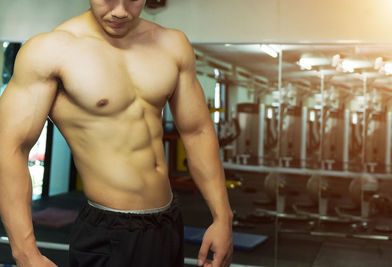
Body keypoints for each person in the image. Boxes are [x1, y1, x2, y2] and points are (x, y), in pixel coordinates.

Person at [0, 0, 233, 266]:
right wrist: (24, 252)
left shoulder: (172, 44)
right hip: (107, 231)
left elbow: (198, 132)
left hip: (168, 222)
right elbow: (11, 148)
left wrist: (223, 217)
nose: (120, 11)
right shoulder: (50, 51)